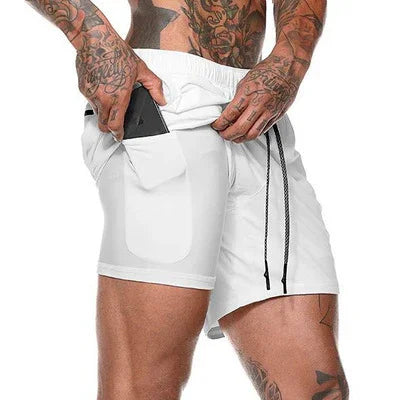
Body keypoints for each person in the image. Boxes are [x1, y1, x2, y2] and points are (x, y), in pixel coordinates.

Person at [26, 0, 349, 399]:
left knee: (317, 390)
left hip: (261, 110)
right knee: (146, 387)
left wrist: (290, 62)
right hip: (163, 100)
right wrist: (92, 35)